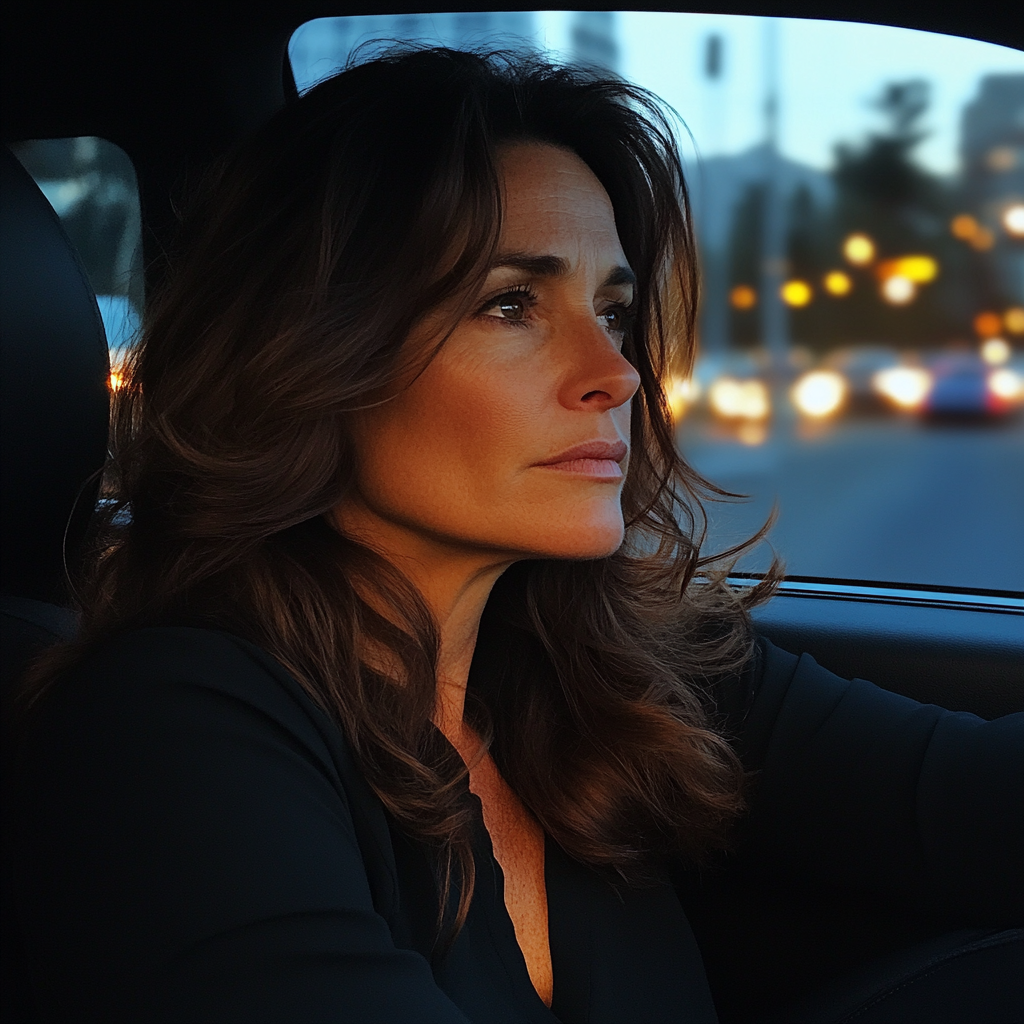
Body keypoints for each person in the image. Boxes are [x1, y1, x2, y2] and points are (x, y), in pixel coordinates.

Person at [9, 48, 1022, 1023]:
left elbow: (979, 810)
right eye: (510, 304)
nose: (614, 373)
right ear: (313, 355)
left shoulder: (625, 679)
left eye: (614, 310)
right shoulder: (171, 733)